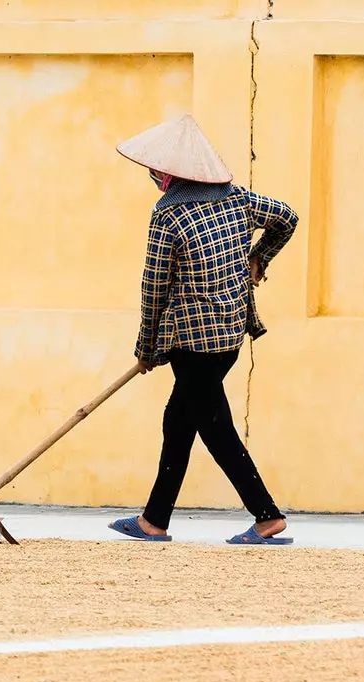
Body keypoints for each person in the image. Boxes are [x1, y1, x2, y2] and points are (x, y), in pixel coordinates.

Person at [107, 114, 298, 546]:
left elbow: (153, 286)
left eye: (157, 172)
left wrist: (146, 347)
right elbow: (287, 217)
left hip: (191, 343)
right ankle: (153, 521)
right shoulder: (237, 200)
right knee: (180, 420)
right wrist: (258, 257)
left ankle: (267, 517)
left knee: (214, 428)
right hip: (229, 336)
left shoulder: (168, 217)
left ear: (169, 175)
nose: (154, 178)